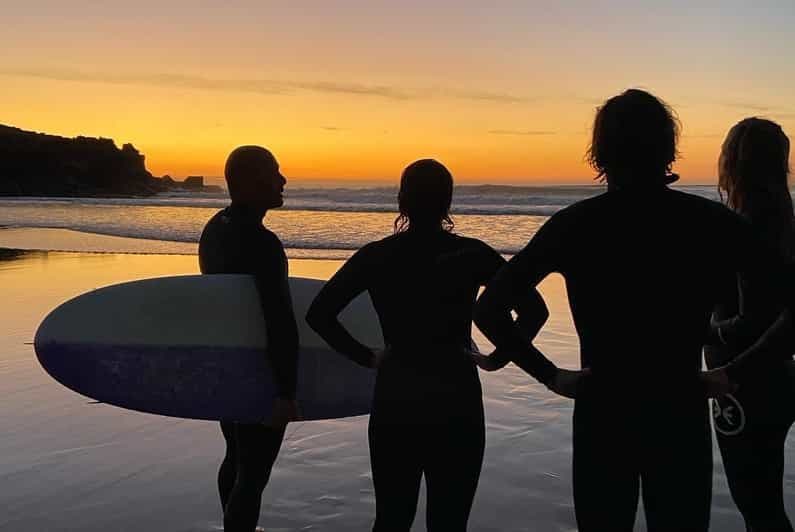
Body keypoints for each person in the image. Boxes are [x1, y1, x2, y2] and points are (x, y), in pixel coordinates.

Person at [473, 89, 794, 532]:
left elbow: (489, 310)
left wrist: (551, 375)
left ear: (599, 152)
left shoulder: (575, 224)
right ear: (669, 147)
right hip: (679, 411)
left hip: (603, 412)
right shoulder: (712, 222)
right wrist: (733, 373)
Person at [306, 159, 548, 531]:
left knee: (392, 518)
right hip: (456, 396)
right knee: (449, 521)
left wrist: (367, 357)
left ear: (401, 201)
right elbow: (533, 309)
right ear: (448, 202)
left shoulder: (377, 255)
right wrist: (498, 358)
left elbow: (320, 314)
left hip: (397, 394)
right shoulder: (472, 254)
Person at [198, 146, 300, 532]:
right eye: (274, 173)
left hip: (227, 364)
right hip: (259, 370)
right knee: (254, 474)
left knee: (236, 456)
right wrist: (285, 391)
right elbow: (278, 319)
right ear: (248, 181)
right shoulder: (262, 242)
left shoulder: (215, 228)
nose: (282, 180)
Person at [706, 117, 794, 531]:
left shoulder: (747, 222)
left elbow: (754, 315)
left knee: (757, 506)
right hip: (774, 374)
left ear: (733, 161)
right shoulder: (782, 215)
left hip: (741, 381)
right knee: (766, 503)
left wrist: (708, 332)